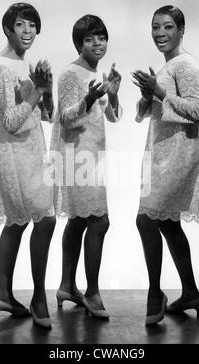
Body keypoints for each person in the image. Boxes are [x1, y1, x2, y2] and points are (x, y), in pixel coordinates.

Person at [132, 5, 199, 325]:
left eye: (167, 27)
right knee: (166, 223)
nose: (160, 34)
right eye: (155, 27)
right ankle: (191, 292)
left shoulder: (186, 65)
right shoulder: (168, 67)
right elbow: (144, 114)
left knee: (146, 220)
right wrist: (146, 94)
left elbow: (195, 111)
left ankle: (155, 293)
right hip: (164, 153)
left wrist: (160, 90)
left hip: (180, 155)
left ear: (181, 30)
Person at [0, 3, 56, 329]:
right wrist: (36, 90)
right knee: (44, 219)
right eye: (21, 25)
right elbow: (11, 121)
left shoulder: (22, 64)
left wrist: (46, 88)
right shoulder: (2, 67)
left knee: (18, 222)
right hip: (11, 152)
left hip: (29, 150)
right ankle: (39, 297)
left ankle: (3, 294)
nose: (27, 32)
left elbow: (47, 114)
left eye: (32, 26)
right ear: (8, 29)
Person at [50, 14, 122, 319]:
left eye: (101, 37)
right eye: (90, 39)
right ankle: (92, 293)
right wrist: (90, 98)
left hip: (92, 157)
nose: (97, 43)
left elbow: (114, 117)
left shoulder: (99, 72)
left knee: (79, 221)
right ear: (79, 43)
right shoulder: (70, 74)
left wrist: (113, 94)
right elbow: (65, 117)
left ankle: (67, 286)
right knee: (99, 222)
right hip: (74, 157)